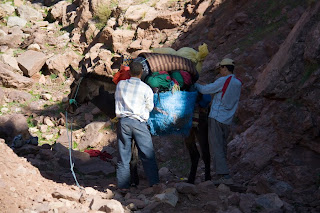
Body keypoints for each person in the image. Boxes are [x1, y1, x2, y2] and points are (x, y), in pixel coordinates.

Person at [194, 58, 242, 185]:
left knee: (216, 146)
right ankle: (223, 171)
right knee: (222, 145)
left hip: (216, 117)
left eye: (221, 68)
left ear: (225, 68)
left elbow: (205, 90)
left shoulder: (223, 80)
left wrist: (195, 84)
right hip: (227, 119)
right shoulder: (238, 83)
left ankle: (223, 175)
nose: (220, 71)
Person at [115, 61, 159, 190]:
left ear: (129, 72)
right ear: (141, 73)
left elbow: (117, 99)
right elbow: (150, 107)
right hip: (139, 123)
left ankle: (123, 186)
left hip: (123, 122)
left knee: (124, 156)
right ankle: (154, 184)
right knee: (147, 154)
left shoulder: (121, 85)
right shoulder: (146, 88)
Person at [184, 93, 212, 184]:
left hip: (191, 117)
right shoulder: (194, 88)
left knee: (196, 146)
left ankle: (197, 178)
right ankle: (206, 177)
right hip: (199, 116)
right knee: (203, 146)